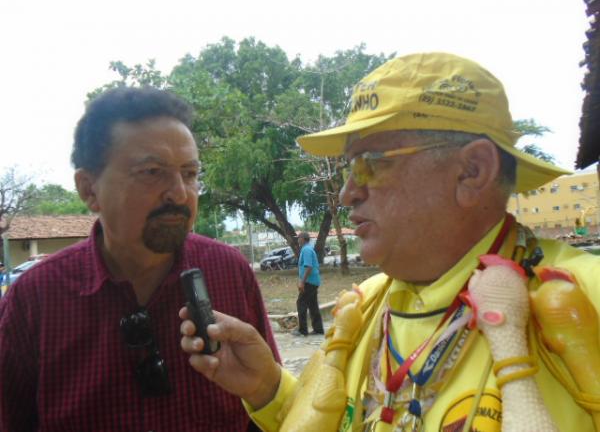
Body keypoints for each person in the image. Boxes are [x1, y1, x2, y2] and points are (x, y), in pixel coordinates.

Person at [180, 52, 600, 432]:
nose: (347, 193)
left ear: (472, 170)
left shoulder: (583, 299)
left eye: (369, 164)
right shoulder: (363, 307)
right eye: (349, 167)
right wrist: (266, 387)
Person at [0, 87, 279, 431]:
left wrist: (268, 391)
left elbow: (273, 411)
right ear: (89, 189)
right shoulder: (34, 300)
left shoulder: (229, 271)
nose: (179, 193)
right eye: (151, 172)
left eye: (190, 174)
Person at [292, 232, 324, 336]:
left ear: (303, 239)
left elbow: (308, 267)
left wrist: (302, 282)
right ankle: (318, 329)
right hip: (313, 281)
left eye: (298, 238)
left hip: (309, 282)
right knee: (313, 305)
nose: (297, 240)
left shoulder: (306, 250)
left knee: (301, 303)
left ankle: (302, 330)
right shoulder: (307, 249)